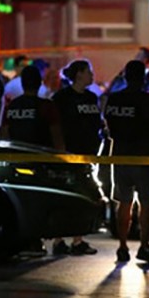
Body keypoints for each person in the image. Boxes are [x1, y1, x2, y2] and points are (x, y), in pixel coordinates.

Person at [104, 60, 149, 264]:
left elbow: (109, 129)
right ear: (144, 78)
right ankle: (144, 246)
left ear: (125, 76)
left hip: (121, 157)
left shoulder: (114, 99)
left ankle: (122, 246)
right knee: (146, 204)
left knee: (124, 202)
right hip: (145, 158)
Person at [52, 60, 102, 256]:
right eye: (89, 72)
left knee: (83, 196)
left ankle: (77, 240)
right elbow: (56, 126)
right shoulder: (62, 98)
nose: (92, 75)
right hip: (68, 154)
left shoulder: (91, 97)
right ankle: (58, 240)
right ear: (79, 74)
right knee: (64, 196)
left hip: (87, 155)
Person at [0, 65, 64, 150]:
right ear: (39, 83)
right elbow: (57, 136)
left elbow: (4, 133)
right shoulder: (47, 106)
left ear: (22, 84)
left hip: (16, 154)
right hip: (41, 154)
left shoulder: (11, 106)